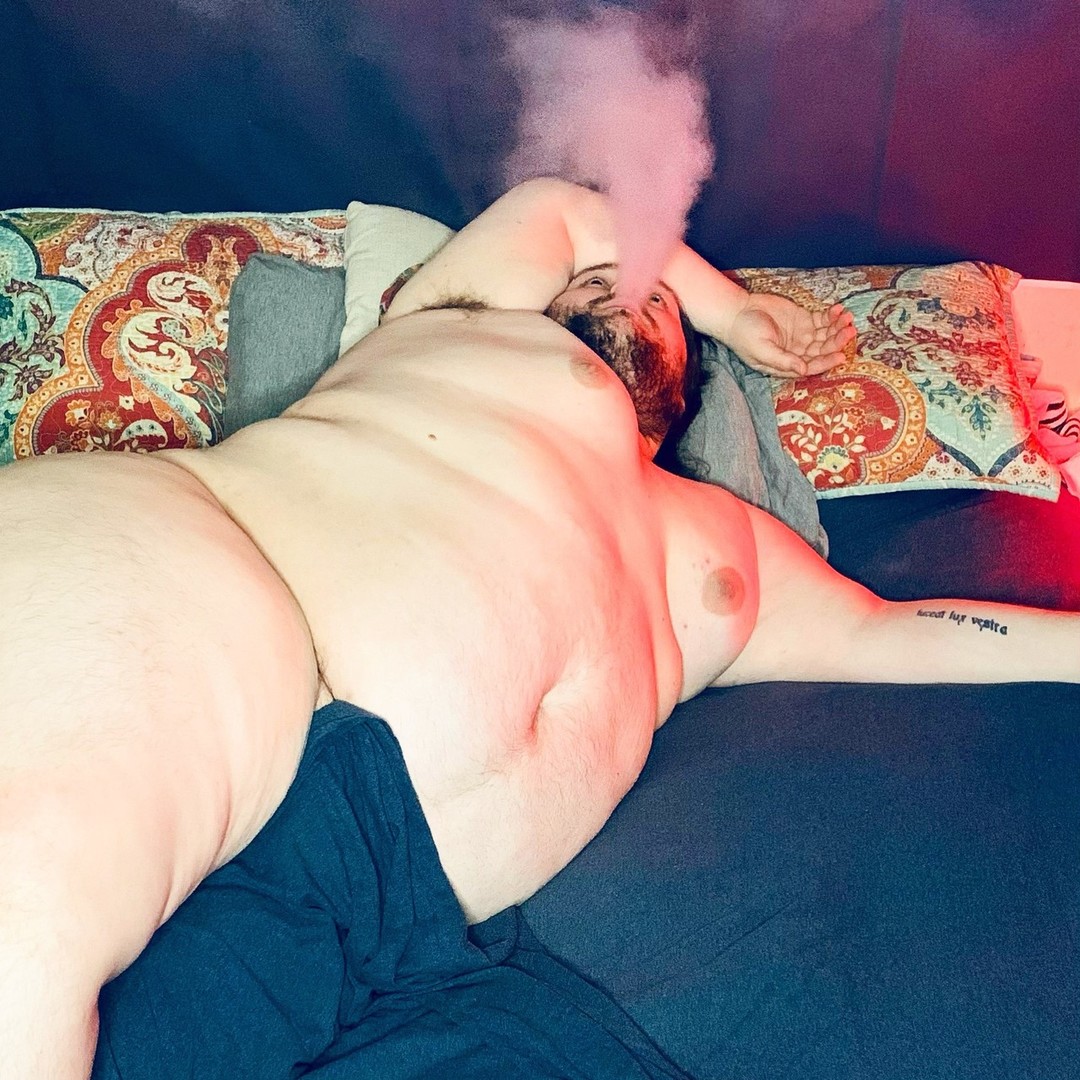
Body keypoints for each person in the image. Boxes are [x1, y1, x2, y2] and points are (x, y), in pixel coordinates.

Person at [2, 177, 1077, 1078]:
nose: (622, 282)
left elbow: (891, 632)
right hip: (217, 596)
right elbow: (567, 207)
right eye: (602, 278)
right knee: (28, 931)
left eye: (653, 297)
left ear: (687, 396)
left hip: (373, 906)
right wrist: (732, 308)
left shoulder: (724, 543)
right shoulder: (458, 321)